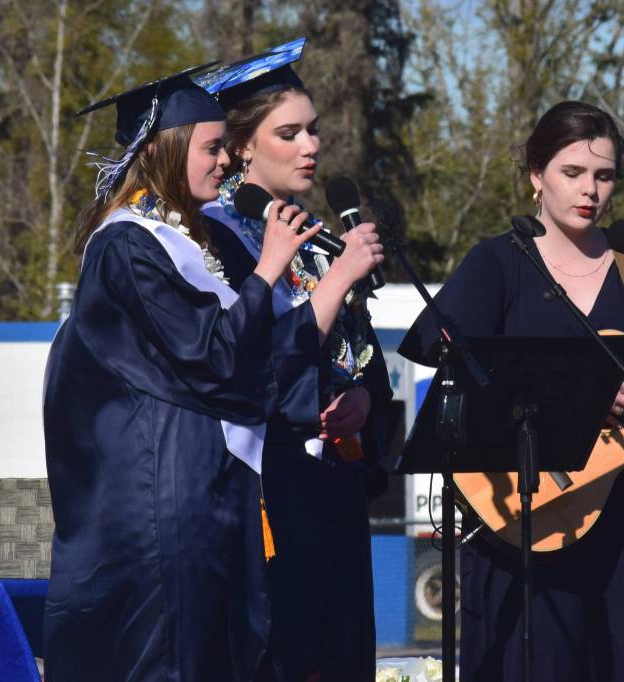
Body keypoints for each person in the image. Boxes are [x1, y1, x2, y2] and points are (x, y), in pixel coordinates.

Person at [399, 101, 624, 681]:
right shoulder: (500, 262)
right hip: (532, 508)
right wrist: (577, 394)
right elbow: (444, 356)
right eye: (572, 173)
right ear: (535, 176)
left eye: (603, 176)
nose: (590, 191)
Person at [42, 64, 378, 681]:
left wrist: (341, 390)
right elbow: (217, 355)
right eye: (213, 147)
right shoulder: (127, 245)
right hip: (155, 508)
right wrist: (270, 266)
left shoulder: (182, 243)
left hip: (205, 498)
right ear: (168, 149)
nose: (225, 162)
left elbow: (258, 361)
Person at [198, 40, 392, 681]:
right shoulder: (211, 238)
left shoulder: (315, 234)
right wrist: (337, 281)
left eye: (313, 130)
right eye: (290, 133)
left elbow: (357, 357)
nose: (311, 146)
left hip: (333, 485)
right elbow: (243, 364)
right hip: (266, 491)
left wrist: (365, 401)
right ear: (243, 144)